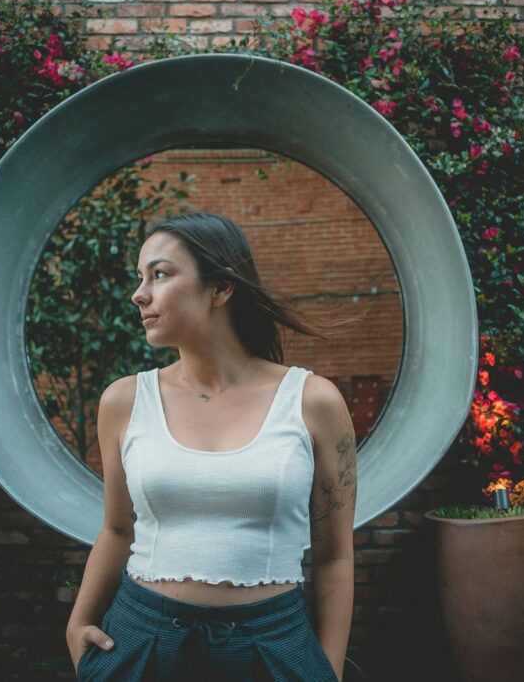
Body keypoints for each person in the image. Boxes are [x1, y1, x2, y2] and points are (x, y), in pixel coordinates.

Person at [66, 211, 359, 681]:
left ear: (221, 289)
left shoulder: (313, 401)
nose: (139, 294)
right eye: (140, 278)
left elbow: (334, 556)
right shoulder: (123, 401)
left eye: (159, 275)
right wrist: (77, 623)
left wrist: (328, 669)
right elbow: (117, 530)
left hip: (271, 644)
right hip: (141, 640)